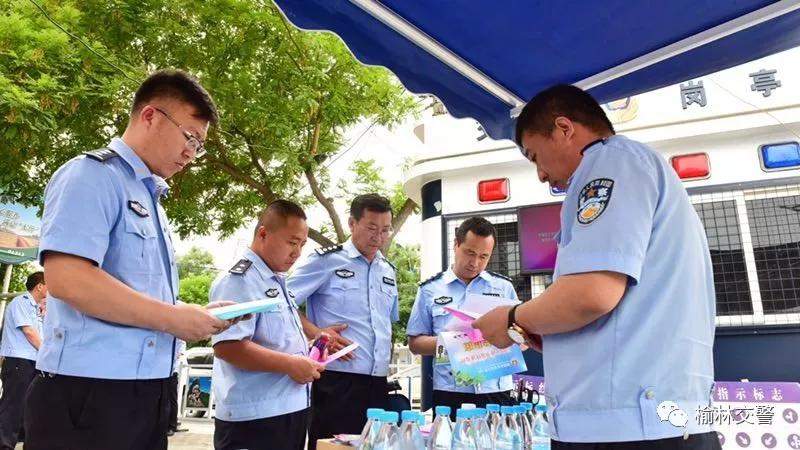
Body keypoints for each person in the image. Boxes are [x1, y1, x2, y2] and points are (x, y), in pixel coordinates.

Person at [473, 84, 719, 449]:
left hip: (627, 427)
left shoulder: (607, 163)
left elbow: (591, 294)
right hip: (657, 420)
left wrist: (512, 318)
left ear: (564, 129)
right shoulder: (640, 168)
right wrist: (545, 327)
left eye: (534, 155)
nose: (540, 174)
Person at [25, 69, 240, 450]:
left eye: (200, 144)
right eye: (190, 137)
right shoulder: (91, 175)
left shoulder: (151, 198)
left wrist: (191, 313)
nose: (192, 152)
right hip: (89, 397)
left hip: (146, 393)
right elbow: (69, 279)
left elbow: (138, 296)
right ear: (150, 116)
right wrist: (174, 319)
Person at [288, 193, 399, 450]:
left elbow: (386, 324)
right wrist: (316, 333)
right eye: (371, 228)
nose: (379, 237)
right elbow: (284, 301)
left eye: (385, 230)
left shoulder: (388, 271)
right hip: (336, 382)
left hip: (377, 382)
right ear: (352, 224)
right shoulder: (327, 261)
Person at [212, 200, 323, 450]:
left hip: (290, 408)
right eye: (292, 242)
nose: (297, 253)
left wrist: (309, 350)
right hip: (255, 418)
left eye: (302, 245)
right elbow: (227, 347)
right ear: (263, 233)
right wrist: (290, 364)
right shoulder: (240, 280)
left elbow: (277, 340)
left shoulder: (277, 281)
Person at [406, 217, 518, 420]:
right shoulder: (430, 289)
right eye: (470, 253)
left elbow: (522, 334)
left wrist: (511, 337)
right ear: (456, 245)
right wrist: (453, 343)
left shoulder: (503, 288)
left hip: (496, 389)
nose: (475, 263)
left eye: (484, 256)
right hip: (450, 392)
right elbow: (415, 344)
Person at [0, 271, 46, 449]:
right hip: (19, 361)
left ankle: (19, 439)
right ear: (39, 286)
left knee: (29, 405)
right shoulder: (21, 302)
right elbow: (29, 332)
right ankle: (4, 445)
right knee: (13, 404)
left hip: (33, 361)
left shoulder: (38, 307)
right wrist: (47, 354)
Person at [167, 338, 188, 436]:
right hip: (168, 372)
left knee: (172, 399)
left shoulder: (180, 340)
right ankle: (170, 423)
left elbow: (179, 355)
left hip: (173, 372)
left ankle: (172, 425)